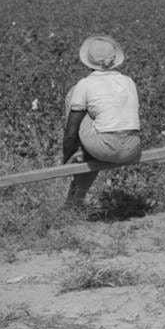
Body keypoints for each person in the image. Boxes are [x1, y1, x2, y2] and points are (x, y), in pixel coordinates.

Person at [62, 35, 141, 209]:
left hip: (105, 148)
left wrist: (65, 158)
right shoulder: (128, 81)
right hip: (132, 147)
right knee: (102, 119)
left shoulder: (85, 83)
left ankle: (78, 152)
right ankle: (75, 201)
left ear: (89, 61)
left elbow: (70, 131)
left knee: (74, 95)